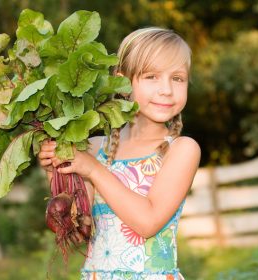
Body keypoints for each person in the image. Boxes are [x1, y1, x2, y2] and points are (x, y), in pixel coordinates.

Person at [38, 27, 201, 280]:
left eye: (177, 78)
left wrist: (93, 169)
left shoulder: (181, 149)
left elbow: (147, 222)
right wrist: (54, 169)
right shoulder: (94, 149)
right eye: (152, 77)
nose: (167, 89)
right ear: (123, 82)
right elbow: (80, 229)